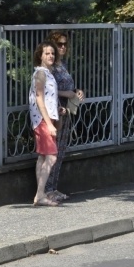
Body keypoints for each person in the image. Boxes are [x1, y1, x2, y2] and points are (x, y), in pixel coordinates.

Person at [45, 30, 85, 203]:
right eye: (59, 44)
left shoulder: (63, 65)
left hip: (65, 111)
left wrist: (76, 91)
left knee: (60, 151)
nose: (62, 47)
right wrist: (66, 93)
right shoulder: (50, 68)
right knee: (51, 151)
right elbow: (47, 89)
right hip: (54, 112)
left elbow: (68, 87)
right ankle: (46, 189)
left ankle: (54, 187)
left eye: (65, 44)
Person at [28, 41, 62, 207]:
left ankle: (40, 193)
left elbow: (48, 98)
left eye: (52, 53)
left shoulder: (48, 73)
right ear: (40, 56)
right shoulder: (41, 73)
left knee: (43, 156)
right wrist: (49, 124)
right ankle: (40, 195)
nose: (51, 56)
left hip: (46, 118)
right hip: (42, 120)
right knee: (52, 156)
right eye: (47, 53)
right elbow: (39, 98)